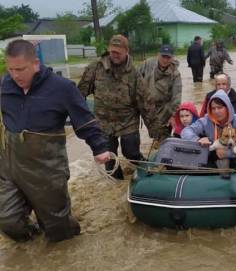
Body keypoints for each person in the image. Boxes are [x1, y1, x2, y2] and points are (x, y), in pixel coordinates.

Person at [0, 39, 110, 243]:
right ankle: (33, 245)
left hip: (47, 170)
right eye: (11, 69)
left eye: (21, 69)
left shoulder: (62, 88)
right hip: (10, 167)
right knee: (7, 221)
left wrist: (99, 148)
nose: (15, 75)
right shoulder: (4, 85)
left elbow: (84, 120)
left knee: (59, 230)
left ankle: (67, 248)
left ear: (35, 63)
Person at [78, 35, 156, 180]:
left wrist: (155, 130)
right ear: (108, 49)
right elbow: (79, 94)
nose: (114, 55)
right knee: (109, 159)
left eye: (118, 52)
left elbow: (145, 103)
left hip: (128, 122)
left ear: (126, 51)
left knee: (131, 153)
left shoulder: (134, 73)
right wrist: (82, 119)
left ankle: (150, 174)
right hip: (103, 123)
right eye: (112, 51)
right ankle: (117, 186)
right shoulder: (95, 68)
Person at [181, 89, 236, 169]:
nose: (216, 111)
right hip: (213, 157)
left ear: (227, 107)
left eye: (219, 107)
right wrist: (197, 139)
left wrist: (228, 153)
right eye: (213, 108)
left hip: (235, 158)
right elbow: (186, 131)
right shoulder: (206, 120)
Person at [138, 44, 182, 142]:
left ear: (172, 58)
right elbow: (135, 78)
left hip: (164, 110)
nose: (165, 60)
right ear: (158, 55)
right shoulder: (148, 64)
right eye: (163, 56)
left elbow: (177, 97)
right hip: (147, 107)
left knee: (162, 137)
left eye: (168, 57)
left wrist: (172, 115)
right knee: (153, 134)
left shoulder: (175, 74)